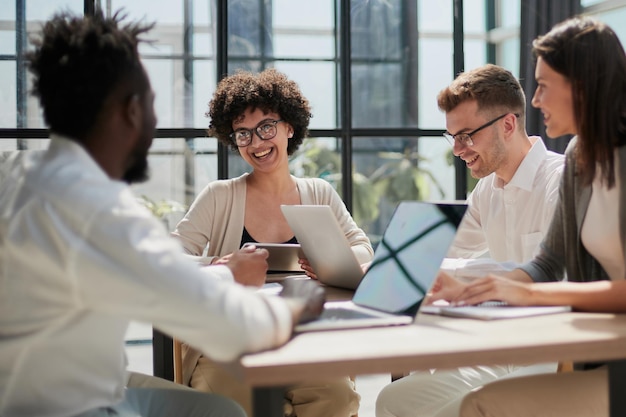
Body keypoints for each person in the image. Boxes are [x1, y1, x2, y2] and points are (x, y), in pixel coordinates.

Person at [0, 11, 326, 417]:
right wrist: (297, 304)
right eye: (154, 105)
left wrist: (226, 273)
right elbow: (234, 327)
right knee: (224, 412)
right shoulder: (103, 209)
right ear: (131, 111)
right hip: (68, 405)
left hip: (29, 382)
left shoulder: (10, 174)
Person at [427, 16, 626, 417]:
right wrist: (479, 287)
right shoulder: (579, 158)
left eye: (544, 86)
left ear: (582, 87)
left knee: (479, 406)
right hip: (607, 353)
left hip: (612, 359)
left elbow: (543, 285)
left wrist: (524, 293)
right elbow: (548, 263)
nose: (534, 100)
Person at [171, 68, 372, 417]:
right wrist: (220, 267)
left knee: (336, 399)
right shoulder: (219, 196)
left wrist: (329, 259)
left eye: (266, 127)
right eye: (243, 134)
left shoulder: (318, 192)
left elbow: (362, 247)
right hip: (228, 339)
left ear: (289, 127)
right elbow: (171, 259)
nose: (257, 143)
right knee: (233, 404)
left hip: (304, 336)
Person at [375, 64, 564, 417]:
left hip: (549, 355)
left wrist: (458, 279)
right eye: (453, 137)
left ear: (507, 125)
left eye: (467, 135)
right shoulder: (487, 191)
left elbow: (549, 276)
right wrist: (381, 264)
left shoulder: (559, 181)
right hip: (501, 350)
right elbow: (444, 249)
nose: (457, 149)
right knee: (393, 399)